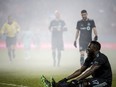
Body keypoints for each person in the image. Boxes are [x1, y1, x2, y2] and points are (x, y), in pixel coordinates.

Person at [41, 41, 112, 87]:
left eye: (89, 47)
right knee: (77, 83)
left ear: (95, 48)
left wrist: (76, 80)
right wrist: (65, 79)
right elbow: (80, 71)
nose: (87, 48)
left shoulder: (101, 58)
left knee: (81, 84)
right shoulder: (90, 58)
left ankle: (55, 86)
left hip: (105, 82)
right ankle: (55, 85)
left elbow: (90, 71)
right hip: (96, 79)